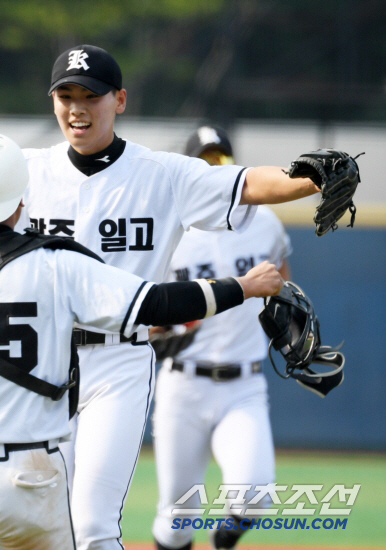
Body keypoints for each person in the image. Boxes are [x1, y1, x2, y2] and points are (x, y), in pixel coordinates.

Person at [0, 45, 320, 550]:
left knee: (90, 527)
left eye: (90, 95)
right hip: (42, 362)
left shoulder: (162, 173)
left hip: (117, 360)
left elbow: (251, 184)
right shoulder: (24, 170)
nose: (76, 108)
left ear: (119, 100)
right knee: (35, 521)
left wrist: (313, 176)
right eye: (65, 95)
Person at [151, 126, 292, 550]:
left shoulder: (263, 221)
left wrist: (289, 321)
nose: (214, 168)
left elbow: (283, 280)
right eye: (205, 161)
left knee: (254, 495)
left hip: (243, 385)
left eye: (221, 160)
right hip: (183, 386)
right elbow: (146, 308)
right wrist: (158, 330)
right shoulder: (167, 230)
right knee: (177, 519)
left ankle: (221, 543)